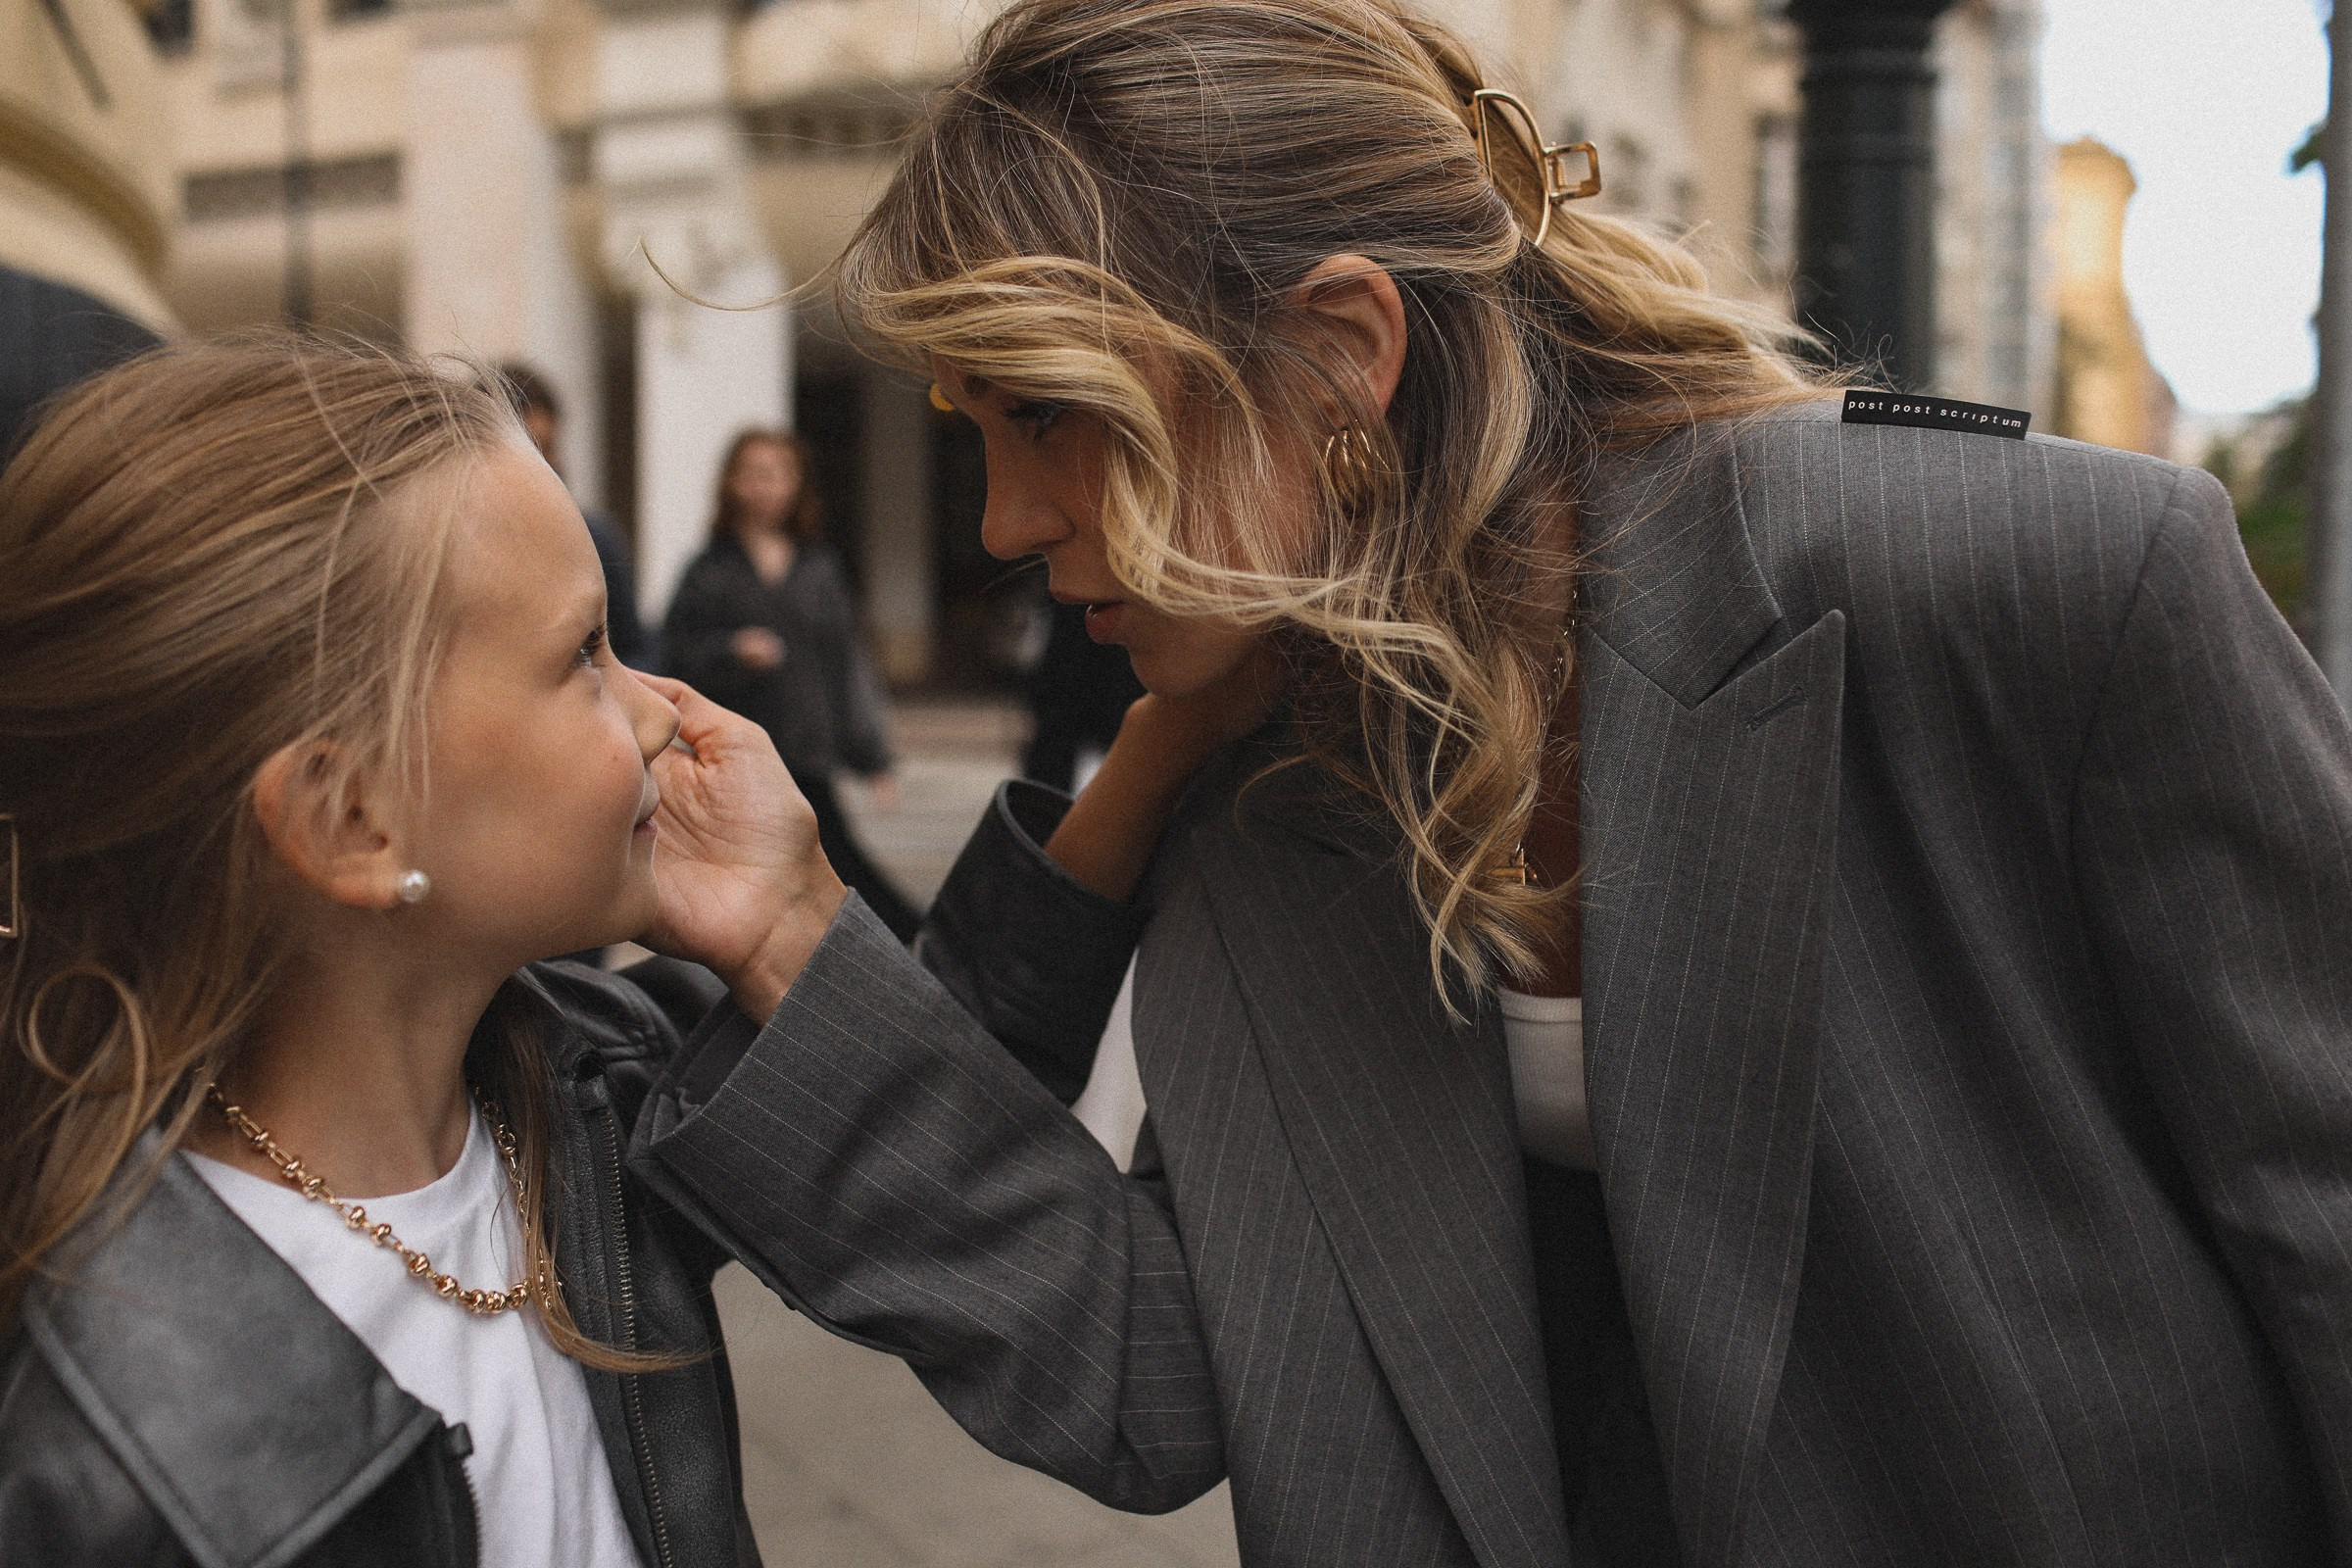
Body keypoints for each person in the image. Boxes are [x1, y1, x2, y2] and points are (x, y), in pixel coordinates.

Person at [701, 0, 2346, 1561]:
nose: (1001, 520)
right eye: (976, 431)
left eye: (1054, 417)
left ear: (1342, 355)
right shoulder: (1277, 774)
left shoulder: (2044, 583)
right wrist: (802, 927)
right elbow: (1165, 1375)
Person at [0, 337, 1224, 1566]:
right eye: (584, 654)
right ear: (351, 820)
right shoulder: (96, 1453)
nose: (658, 707)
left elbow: (912, 1103)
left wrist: (1151, 749)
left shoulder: (571, 1096)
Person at [662, 430, 922, 941]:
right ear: (732, 484)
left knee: (837, 864)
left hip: (807, 750)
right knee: (774, 879)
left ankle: (908, 942)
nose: (767, 486)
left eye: (779, 473)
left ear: (797, 484)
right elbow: (672, 653)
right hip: (736, 751)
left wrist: (872, 757)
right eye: (754, 473)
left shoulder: (819, 568)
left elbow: (848, 665)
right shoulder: (708, 569)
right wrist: (731, 649)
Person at [495, 363, 654, 669]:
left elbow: (635, 651)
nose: (543, 462)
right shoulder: (462, 550)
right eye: (529, 446)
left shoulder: (596, 538)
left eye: (549, 446)